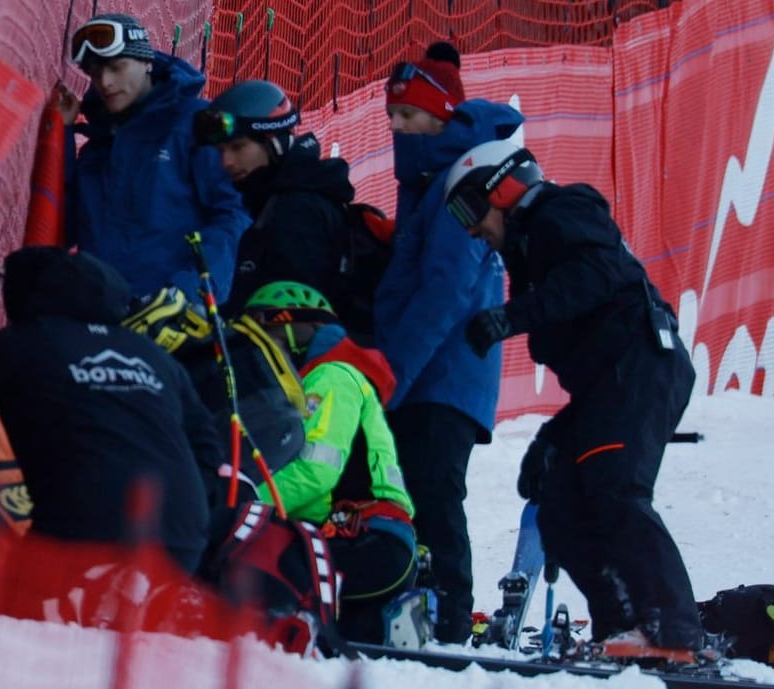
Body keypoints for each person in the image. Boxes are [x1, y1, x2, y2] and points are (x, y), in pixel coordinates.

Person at [443, 139, 703, 651]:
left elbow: (597, 277)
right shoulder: (531, 245)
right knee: (557, 498)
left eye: (469, 209)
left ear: (503, 188)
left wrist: (511, 318)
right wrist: (552, 437)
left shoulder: (562, 211)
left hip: (642, 364)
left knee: (615, 488)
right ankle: (622, 626)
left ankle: (671, 629)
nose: (471, 228)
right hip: (609, 381)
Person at [0, 246, 223, 574]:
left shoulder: (24, 342)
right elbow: (208, 445)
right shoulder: (154, 356)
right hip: (181, 535)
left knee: (15, 612)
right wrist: (187, 506)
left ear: (28, 290)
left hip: (83, 528)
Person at [373, 42, 523, 644]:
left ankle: (451, 617)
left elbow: (445, 292)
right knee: (412, 489)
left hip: (443, 373)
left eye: (408, 117)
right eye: (392, 117)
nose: (396, 128)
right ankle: (419, 605)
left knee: (434, 490)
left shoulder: (458, 182)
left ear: (441, 118)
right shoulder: (431, 178)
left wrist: (393, 373)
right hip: (430, 372)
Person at [242, 281, 418, 644]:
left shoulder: (333, 376)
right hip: (353, 538)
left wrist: (242, 504)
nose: (262, 351)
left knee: (248, 565)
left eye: (268, 336)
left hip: (369, 543)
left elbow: (316, 472)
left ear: (298, 329)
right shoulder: (313, 379)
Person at [58, 13, 249, 304]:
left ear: (147, 61)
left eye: (116, 67)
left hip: (175, 318)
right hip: (102, 315)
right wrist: (62, 134)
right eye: (95, 73)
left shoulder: (195, 124)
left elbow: (233, 215)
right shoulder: (98, 145)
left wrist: (188, 295)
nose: (105, 82)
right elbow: (66, 225)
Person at [192, 79, 356, 319]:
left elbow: (293, 320)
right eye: (220, 151)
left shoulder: (297, 211)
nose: (225, 161)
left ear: (274, 143)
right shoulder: (275, 198)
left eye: (238, 147)